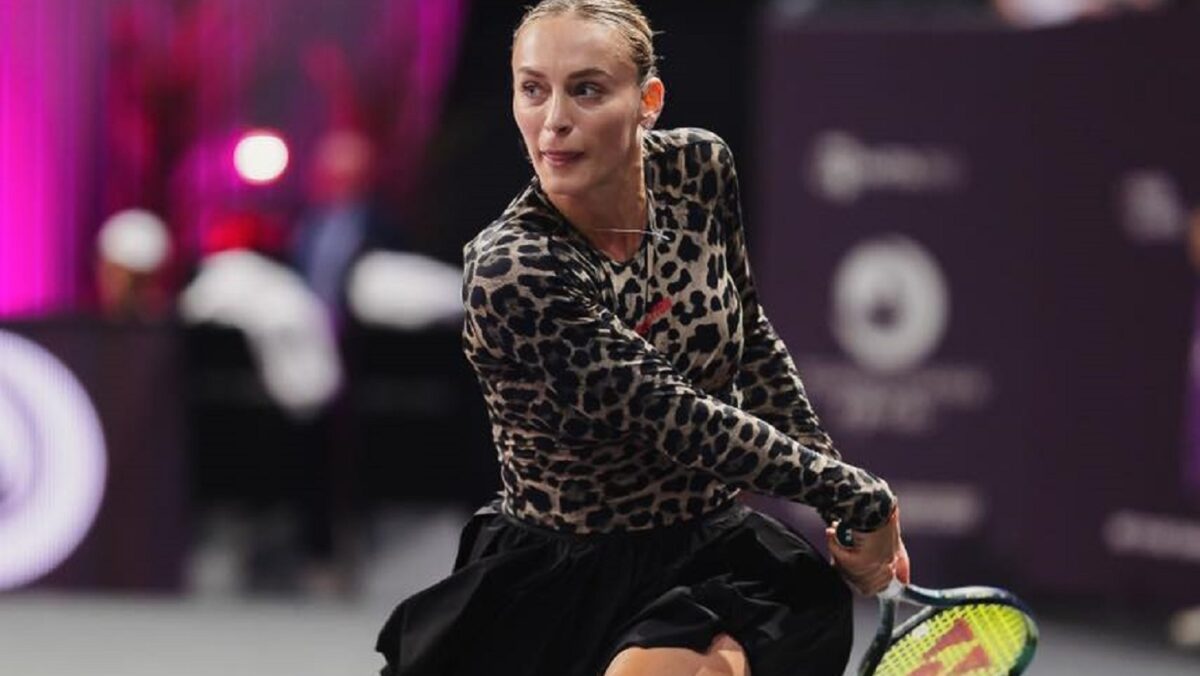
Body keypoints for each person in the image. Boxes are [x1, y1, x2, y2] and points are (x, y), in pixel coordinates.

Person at [375, 2, 909, 674]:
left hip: (715, 561)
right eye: (533, 89)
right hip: (561, 587)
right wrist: (855, 495)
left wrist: (841, 510)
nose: (554, 119)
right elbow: (674, 418)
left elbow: (750, 339)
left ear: (647, 102)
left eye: (587, 90)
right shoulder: (514, 268)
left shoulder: (698, 168)